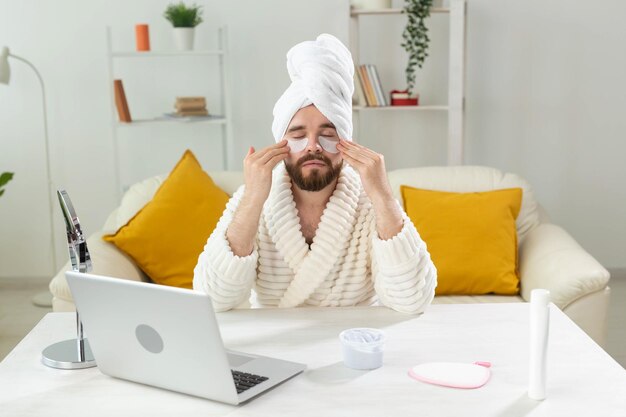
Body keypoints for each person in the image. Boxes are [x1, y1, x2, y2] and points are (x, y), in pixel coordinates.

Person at [194, 34, 436, 313]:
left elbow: (413, 300)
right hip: (276, 343)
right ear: (280, 143)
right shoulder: (253, 199)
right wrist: (252, 199)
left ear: (347, 143)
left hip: (354, 340)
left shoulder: (373, 204)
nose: (313, 146)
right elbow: (212, 298)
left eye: (328, 134)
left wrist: (383, 196)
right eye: (297, 135)